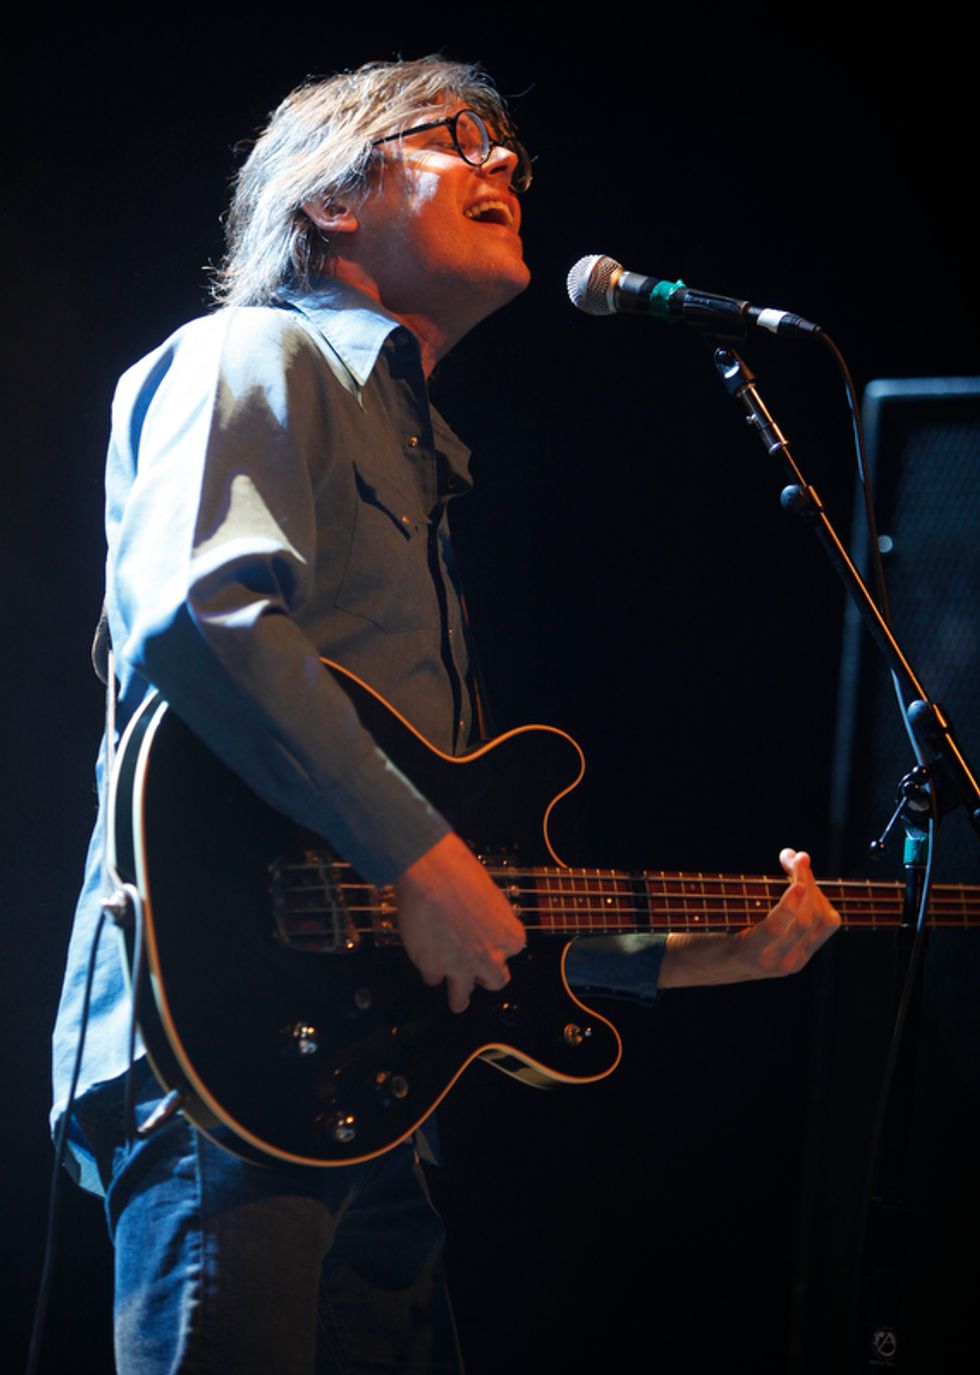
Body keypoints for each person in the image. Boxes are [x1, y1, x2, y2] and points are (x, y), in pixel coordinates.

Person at [51, 55, 840, 1374]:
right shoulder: (257, 352)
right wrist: (420, 855)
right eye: (457, 138)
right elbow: (198, 616)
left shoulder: (425, 459)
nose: (505, 163)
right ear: (332, 199)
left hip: (370, 1086)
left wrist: (690, 956)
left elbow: (464, 880)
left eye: (510, 149)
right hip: (222, 1051)